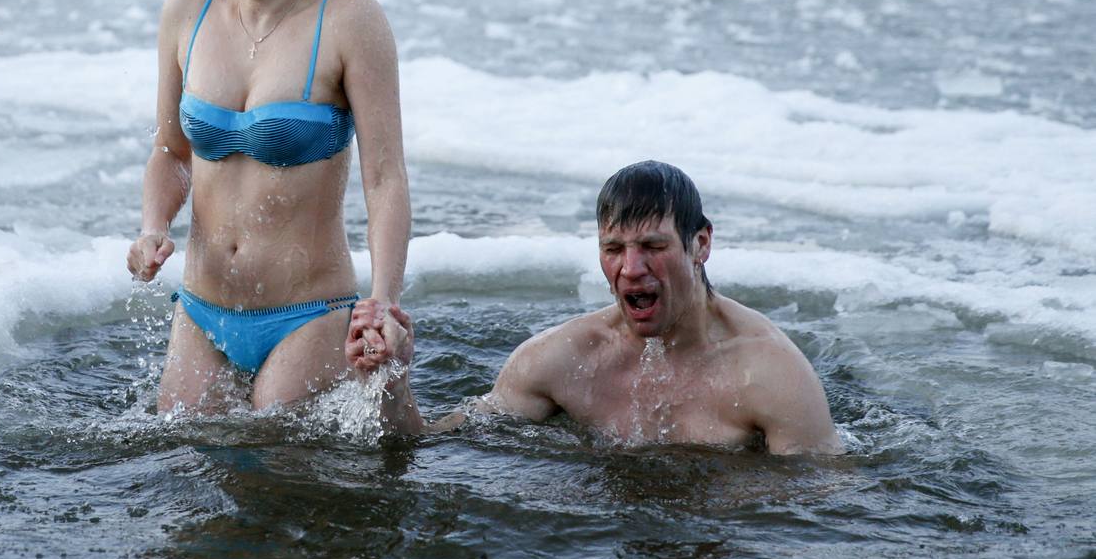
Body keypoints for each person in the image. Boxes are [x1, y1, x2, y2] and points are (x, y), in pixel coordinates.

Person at [128, 0, 410, 414]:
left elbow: (384, 178)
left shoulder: (350, 20)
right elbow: (171, 151)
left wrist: (383, 300)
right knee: (188, 462)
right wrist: (153, 225)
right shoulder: (186, 12)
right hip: (203, 308)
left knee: (274, 465)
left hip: (308, 314)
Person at [350, 161, 844, 455]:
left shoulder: (769, 374)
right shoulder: (560, 359)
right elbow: (430, 446)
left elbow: (822, 509)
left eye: (653, 246)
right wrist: (392, 379)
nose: (631, 268)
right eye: (613, 250)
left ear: (701, 244)